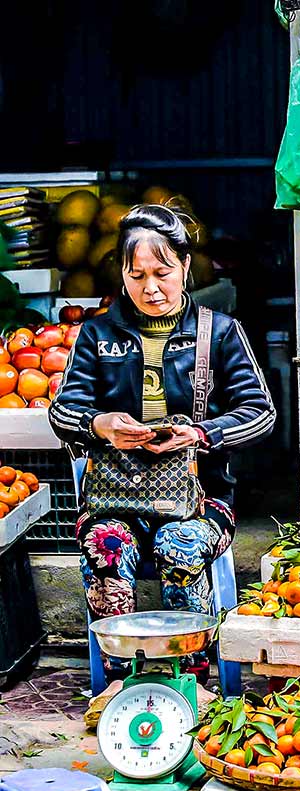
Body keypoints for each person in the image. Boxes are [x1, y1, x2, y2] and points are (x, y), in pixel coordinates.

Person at [49, 204, 275, 682]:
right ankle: (123, 682)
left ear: (186, 267)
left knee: (180, 544)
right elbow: (62, 412)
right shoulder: (97, 333)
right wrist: (100, 424)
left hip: (202, 500)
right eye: (137, 275)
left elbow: (261, 413)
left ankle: (188, 680)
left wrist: (200, 433)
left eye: (163, 272)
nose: (151, 288)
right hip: (115, 500)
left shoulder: (219, 334)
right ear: (123, 275)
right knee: (107, 545)